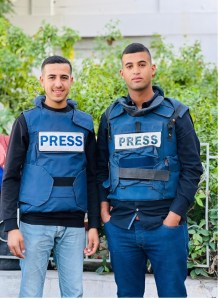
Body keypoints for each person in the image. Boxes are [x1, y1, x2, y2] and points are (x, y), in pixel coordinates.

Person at [96, 43, 203, 298]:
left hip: (165, 226)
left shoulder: (176, 114)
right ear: (122, 73)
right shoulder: (110, 117)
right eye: (130, 66)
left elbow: (192, 169)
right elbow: (100, 168)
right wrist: (104, 214)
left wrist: (173, 218)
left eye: (142, 65)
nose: (136, 71)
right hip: (121, 227)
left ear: (152, 69)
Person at [1, 55, 100, 297]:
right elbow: (11, 176)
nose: (58, 84)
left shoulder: (84, 124)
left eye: (64, 77)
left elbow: (93, 177)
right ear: (42, 80)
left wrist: (94, 225)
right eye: (52, 77)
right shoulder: (26, 121)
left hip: (74, 226)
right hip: (34, 225)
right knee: (31, 294)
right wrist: (10, 226)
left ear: (71, 81)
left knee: (74, 293)